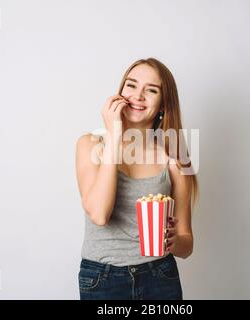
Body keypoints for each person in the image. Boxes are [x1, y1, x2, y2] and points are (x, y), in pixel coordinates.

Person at [75, 58, 198, 300]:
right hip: (102, 279)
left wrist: (174, 241)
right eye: (131, 85)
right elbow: (100, 214)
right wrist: (114, 135)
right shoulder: (90, 145)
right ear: (120, 92)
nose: (138, 95)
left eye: (151, 90)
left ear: (163, 104)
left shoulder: (174, 156)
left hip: (159, 276)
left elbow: (187, 244)